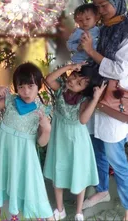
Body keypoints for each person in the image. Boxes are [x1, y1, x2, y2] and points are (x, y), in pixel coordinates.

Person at [81, 0, 128, 221]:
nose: (100, 11)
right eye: (97, 6)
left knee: (116, 157)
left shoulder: (126, 30)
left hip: (113, 99)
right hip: (96, 97)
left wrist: (91, 52)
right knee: (96, 146)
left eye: (104, 5)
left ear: (117, 0)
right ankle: (102, 191)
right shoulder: (104, 28)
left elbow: (120, 70)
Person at [0, 62, 54, 221]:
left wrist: (47, 129)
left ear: (39, 86)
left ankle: (44, 214)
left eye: (31, 86)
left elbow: (42, 143)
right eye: (21, 86)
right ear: (16, 87)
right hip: (2, 146)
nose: (26, 91)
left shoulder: (42, 110)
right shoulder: (11, 100)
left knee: (30, 180)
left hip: (24, 151)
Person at [43, 63, 106, 221]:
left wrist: (96, 98)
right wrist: (70, 66)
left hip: (77, 142)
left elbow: (83, 120)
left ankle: (78, 211)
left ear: (85, 90)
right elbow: (48, 79)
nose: (73, 81)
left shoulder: (84, 100)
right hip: (59, 138)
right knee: (58, 169)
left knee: (79, 173)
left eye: (79, 83)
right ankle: (60, 208)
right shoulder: (61, 89)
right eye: (74, 76)